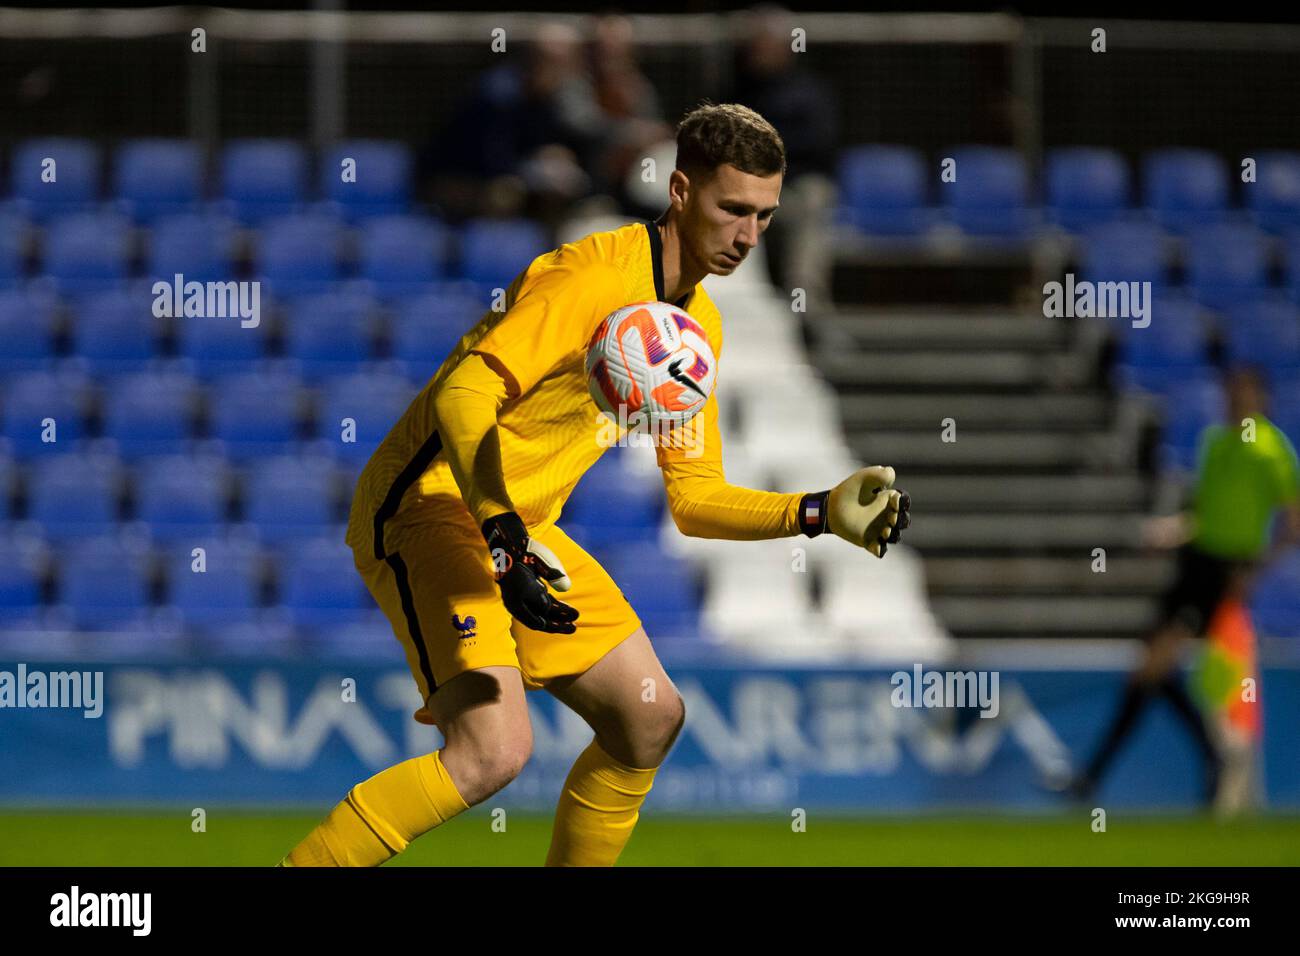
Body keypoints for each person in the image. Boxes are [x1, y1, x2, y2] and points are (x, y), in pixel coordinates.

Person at [279, 102, 909, 867]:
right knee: (493, 751)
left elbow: (695, 498)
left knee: (650, 718)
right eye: (732, 209)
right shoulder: (588, 276)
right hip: (432, 507)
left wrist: (815, 512)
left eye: (765, 217)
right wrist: (501, 530)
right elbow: (462, 395)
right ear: (681, 192)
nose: (748, 236)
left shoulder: (694, 330)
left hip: (521, 528)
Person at [1070, 365, 1300, 806]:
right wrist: (1171, 531)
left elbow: (1292, 522)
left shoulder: (1272, 451)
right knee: (1148, 670)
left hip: (1223, 570)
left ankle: (1094, 775)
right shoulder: (1215, 442)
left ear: (1262, 400)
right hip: (1194, 561)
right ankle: (1205, 758)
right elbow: (1205, 515)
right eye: (1234, 391)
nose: (1238, 400)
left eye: (1246, 393)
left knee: (1153, 666)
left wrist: (1253, 570)